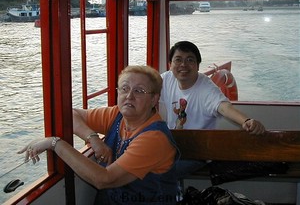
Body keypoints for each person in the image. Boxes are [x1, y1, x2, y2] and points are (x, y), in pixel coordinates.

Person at [18, 65, 180, 205]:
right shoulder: (117, 115)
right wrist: (92, 138)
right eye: (124, 88)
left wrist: (54, 143)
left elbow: (104, 179)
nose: (129, 96)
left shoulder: (154, 138)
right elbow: (69, 114)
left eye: (139, 91)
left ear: (154, 99)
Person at [159, 41, 265, 179]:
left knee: (162, 172)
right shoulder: (166, 79)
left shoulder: (207, 89)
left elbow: (224, 107)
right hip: (172, 145)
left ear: (197, 66)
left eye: (190, 60)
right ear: (170, 65)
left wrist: (246, 120)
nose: (183, 65)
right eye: (178, 60)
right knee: (141, 164)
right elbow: (146, 94)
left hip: (197, 152)